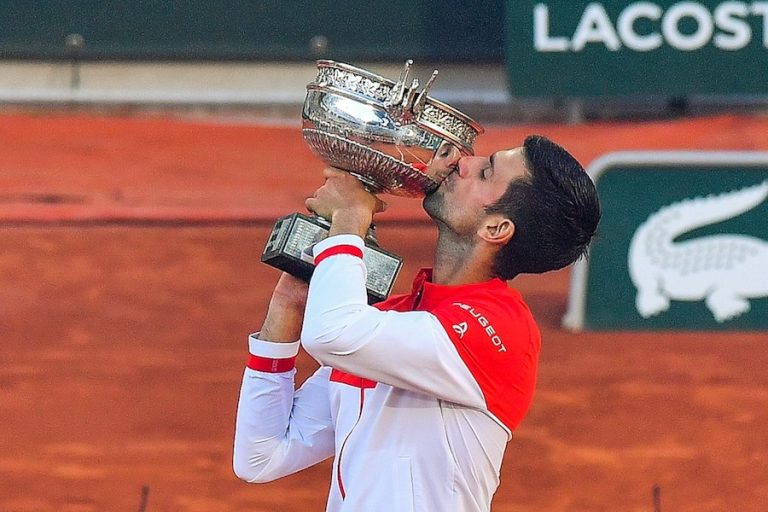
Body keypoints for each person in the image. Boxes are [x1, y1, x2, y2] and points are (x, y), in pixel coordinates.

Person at [233, 135, 601, 511]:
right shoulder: (393, 321)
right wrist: (288, 303)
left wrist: (350, 218)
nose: (464, 162)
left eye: (485, 172)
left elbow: (332, 333)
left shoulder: (500, 329)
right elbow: (263, 455)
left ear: (495, 230)